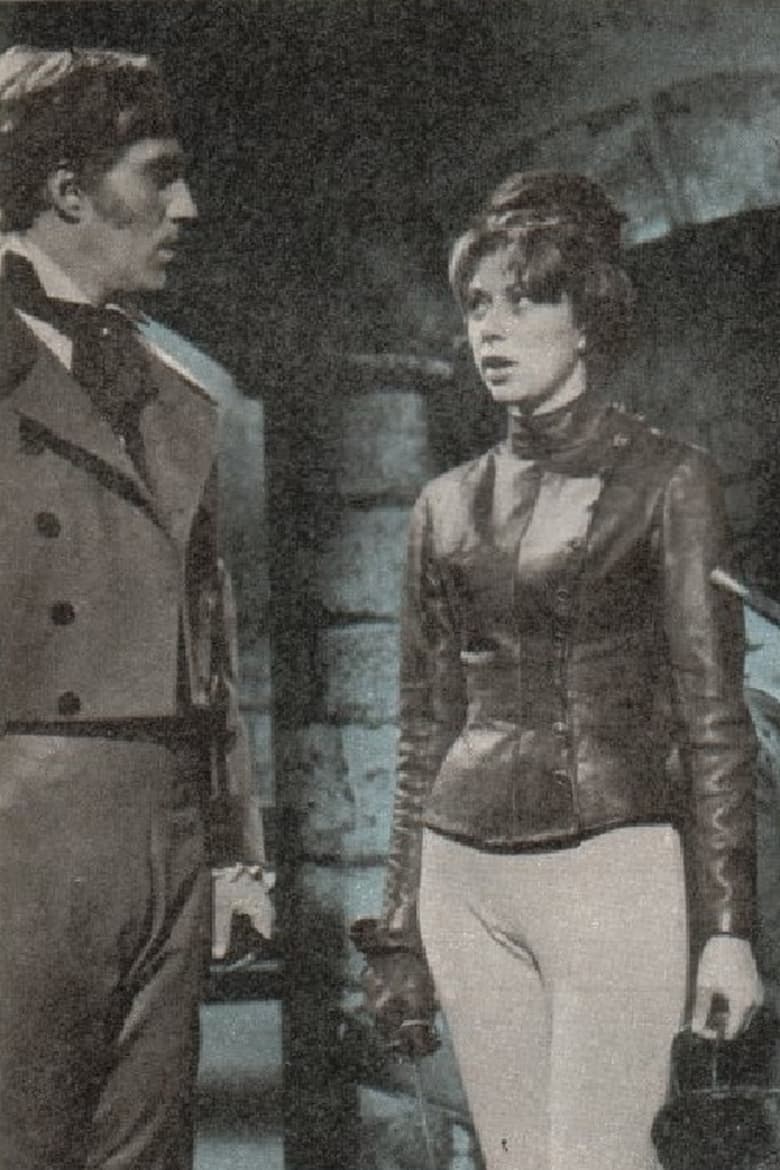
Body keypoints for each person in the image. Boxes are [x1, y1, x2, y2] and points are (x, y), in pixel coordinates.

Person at [353, 170, 764, 1170]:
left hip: (613, 871)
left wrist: (727, 929)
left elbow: (714, 719)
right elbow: (424, 727)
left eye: (527, 300)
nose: (491, 330)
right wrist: (398, 930)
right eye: (477, 304)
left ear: (587, 320)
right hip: (463, 877)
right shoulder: (442, 505)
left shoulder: (671, 479)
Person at [0, 45, 271, 1170]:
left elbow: (213, 642)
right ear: (68, 191)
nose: (186, 207)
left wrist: (235, 856)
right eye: (158, 175)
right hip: (21, 832)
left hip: (165, 833)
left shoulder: (178, 396)